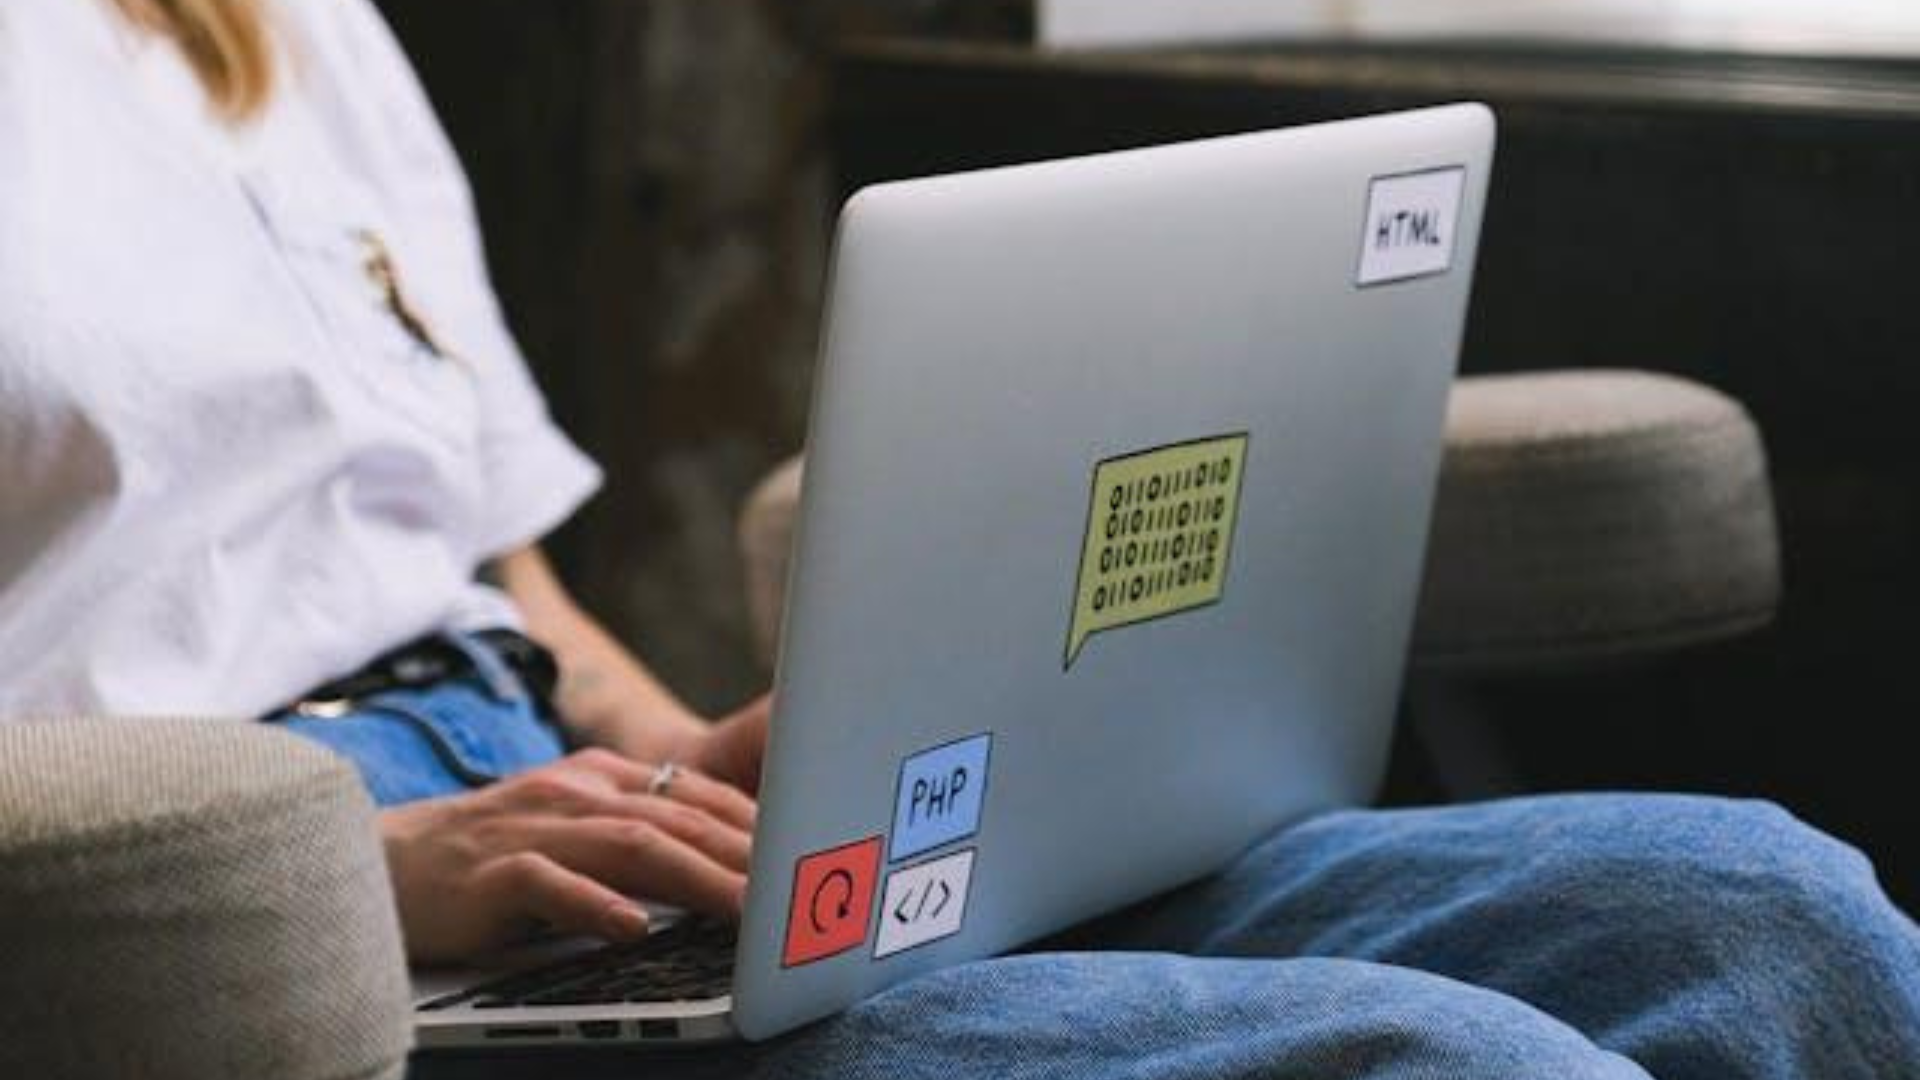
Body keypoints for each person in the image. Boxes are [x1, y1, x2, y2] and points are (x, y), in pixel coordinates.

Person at [0, 1, 1914, 1077]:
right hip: (238, 906)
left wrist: (712, 772)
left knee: (1758, 910)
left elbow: (512, 587)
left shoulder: (282, 29)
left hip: (557, 824)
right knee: (1440, 1067)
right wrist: (374, 859)